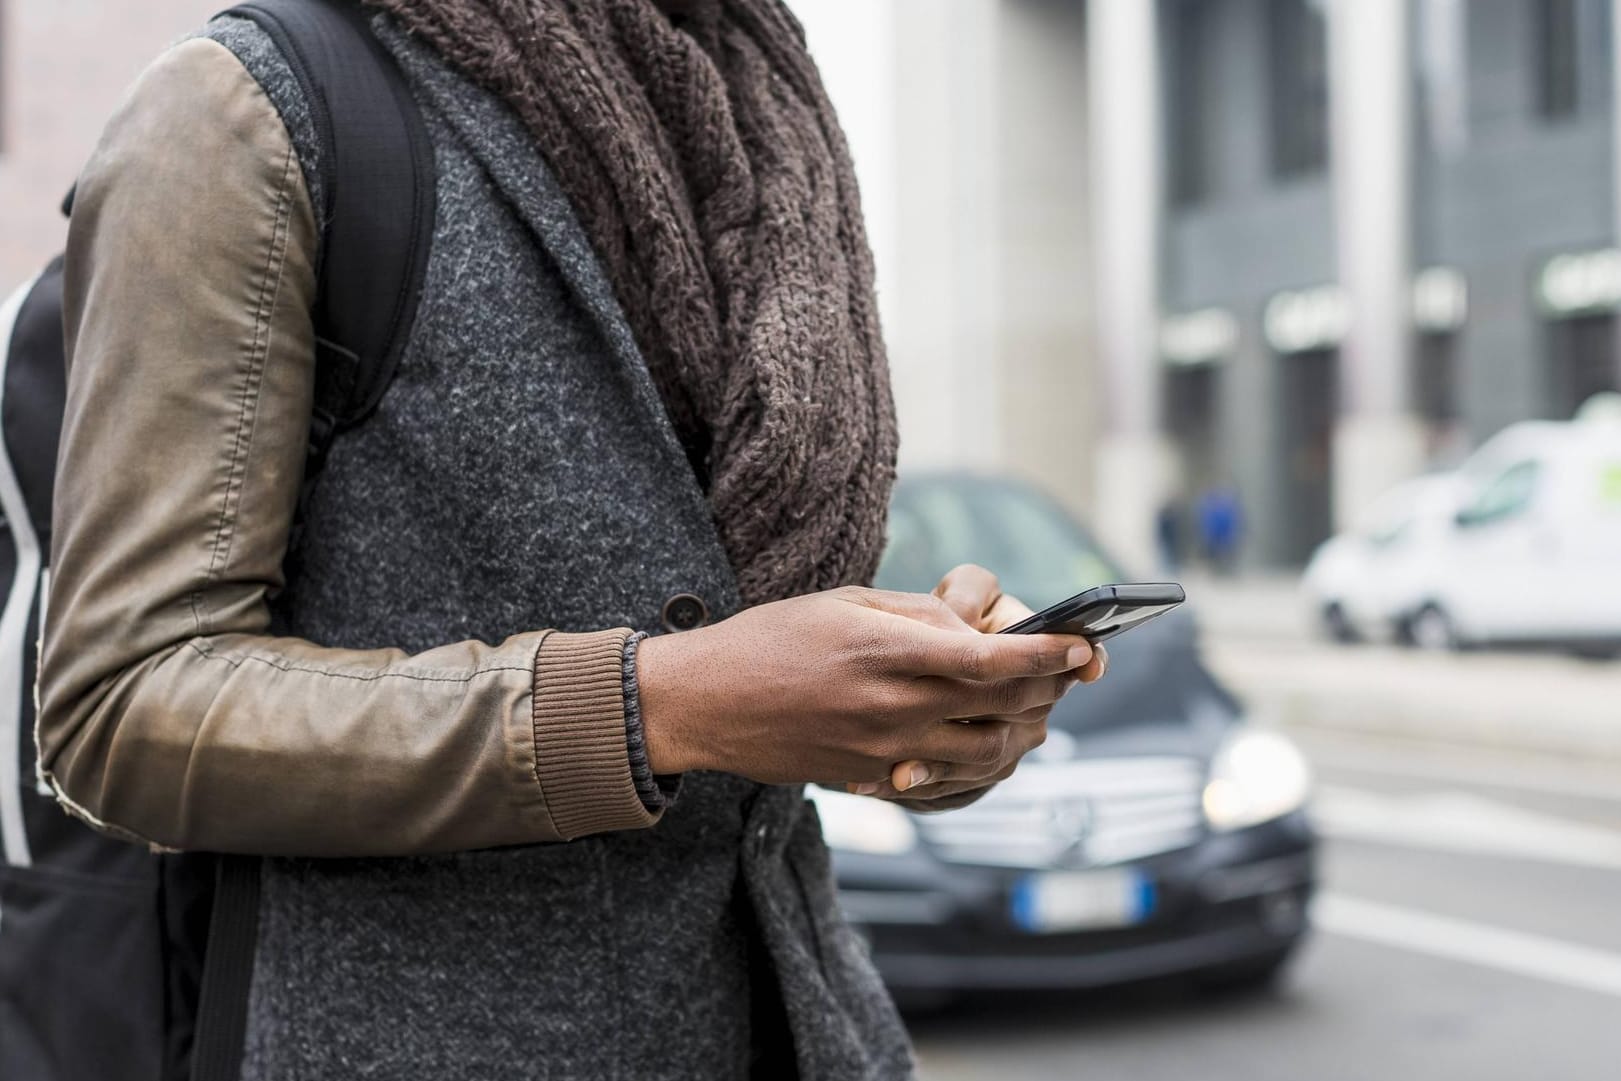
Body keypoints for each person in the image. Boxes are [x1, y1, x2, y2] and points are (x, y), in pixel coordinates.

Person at [36, 2, 1107, 1078]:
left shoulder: (762, 120)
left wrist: (916, 713)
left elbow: (748, 711)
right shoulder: (243, 111)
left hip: (806, 1027)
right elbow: (124, 702)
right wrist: (660, 706)